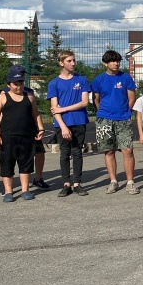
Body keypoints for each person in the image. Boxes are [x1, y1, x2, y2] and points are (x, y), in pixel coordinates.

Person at [0, 66, 45, 202]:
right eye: (16, 84)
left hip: (26, 136)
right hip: (7, 136)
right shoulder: (2, 97)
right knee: (7, 164)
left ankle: (25, 190)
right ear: (8, 84)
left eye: (21, 83)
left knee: (26, 163)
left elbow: (35, 114)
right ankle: (9, 191)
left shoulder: (29, 97)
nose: (19, 87)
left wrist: (40, 128)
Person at [92, 50, 137, 194]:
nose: (116, 63)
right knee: (109, 151)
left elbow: (131, 99)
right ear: (106, 63)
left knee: (127, 150)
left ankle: (130, 182)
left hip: (123, 119)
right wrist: (104, 114)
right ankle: (113, 181)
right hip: (104, 119)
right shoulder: (98, 80)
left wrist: (124, 113)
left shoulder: (126, 78)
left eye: (118, 61)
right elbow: (96, 101)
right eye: (112, 61)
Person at [47, 51, 90, 197]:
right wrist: (63, 126)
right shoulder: (54, 83)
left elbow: (85, 102)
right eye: (69, 61)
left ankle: (77, 183)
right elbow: (54, 108)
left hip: (79, 121)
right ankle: (66, 184)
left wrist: (64, 108)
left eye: (74, 60)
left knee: (77, 152)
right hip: (62, 124)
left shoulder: (82, 80)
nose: (73, 63)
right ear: (61, 63)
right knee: (64, 153)